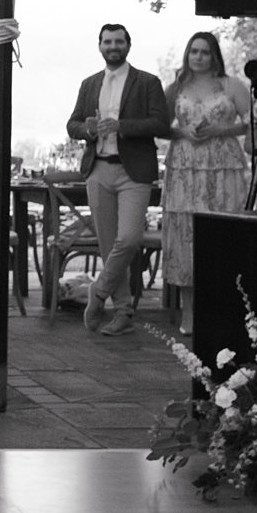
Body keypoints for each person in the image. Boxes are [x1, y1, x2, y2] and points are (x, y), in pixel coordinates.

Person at [66, 22, 172, 335]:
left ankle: (97, 293)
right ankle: (123, 312)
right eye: (107, 42)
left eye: (119, 42)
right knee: (108, 243)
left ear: (128, 45)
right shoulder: (89, 84)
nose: (113, 47)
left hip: (134, 170)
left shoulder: (147, 82)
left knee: (129, 239)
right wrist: (87, 129)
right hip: (98, 167)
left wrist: (121, 126)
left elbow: (161, 124)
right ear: (100, 46)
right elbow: (71, 124)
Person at [161, 32, 251, 334]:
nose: (198, 57)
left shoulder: (231, 85)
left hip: (222, 166)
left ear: (215, 56)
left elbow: (253, 122)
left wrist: (221, 129)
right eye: (194, 51)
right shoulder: (176, 88)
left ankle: (226, 307)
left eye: (205, 52)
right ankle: (189, 312)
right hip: (184, 168)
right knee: (185, 236)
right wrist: (183, 132)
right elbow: (159, 126)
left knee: (222, 233)